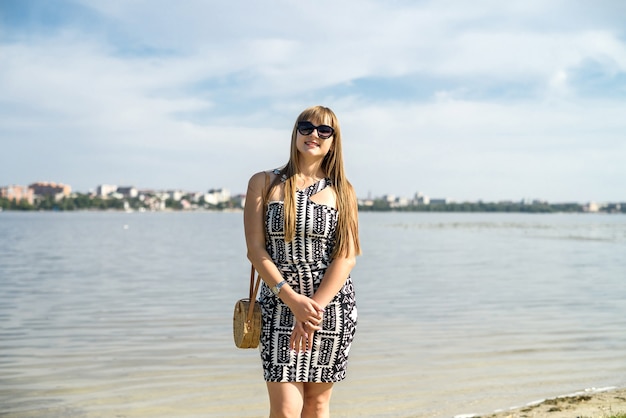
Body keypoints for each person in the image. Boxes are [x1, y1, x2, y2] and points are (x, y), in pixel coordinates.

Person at [244, 105, 361, 418]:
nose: (314, 135)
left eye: (324, 131)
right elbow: (255, 250)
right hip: (280, 304)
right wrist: (293, 300)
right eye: (306, 127)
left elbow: (346, 257)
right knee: (285, 409)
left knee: (317, 405)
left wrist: (312, 310)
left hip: (329, 310)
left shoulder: (343, 191)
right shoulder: (264, 182)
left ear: (333, 141)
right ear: (295, 133)